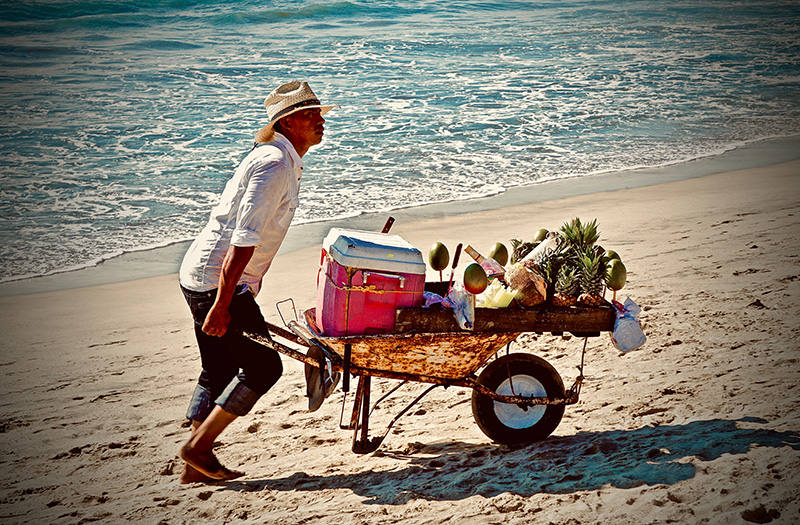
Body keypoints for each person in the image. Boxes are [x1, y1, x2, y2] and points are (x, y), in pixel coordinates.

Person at [177, 81, 337, 483]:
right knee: (264, 366)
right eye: (310, 115)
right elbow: (243, 239)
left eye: (320, 113)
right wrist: (223, 303)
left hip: (205, 275)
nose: (321, 121)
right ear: (286, 123)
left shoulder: (281, 158)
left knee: (217, 368)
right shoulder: (274, 164)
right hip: (218, 280)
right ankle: (198, 448)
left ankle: (195, 468)